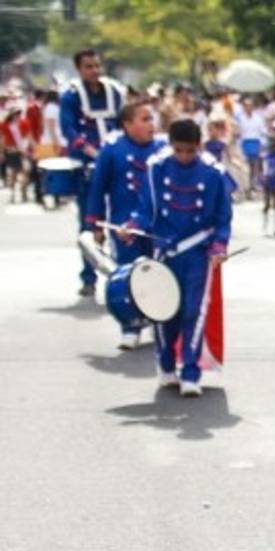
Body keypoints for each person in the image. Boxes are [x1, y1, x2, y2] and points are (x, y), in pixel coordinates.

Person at [130, 119, 232, 397]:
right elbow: (145, 210)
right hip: (165, 251)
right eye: (179, 150)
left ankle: (191, 371)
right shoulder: (157, 168)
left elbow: (223, 217)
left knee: (193, 311)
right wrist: (131, 226)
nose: (184, 156)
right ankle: (165, 366)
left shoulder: (213, 173)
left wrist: (219, 245)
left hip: (198, 252)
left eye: (190, 151)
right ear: (170, 146)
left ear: (198, 146)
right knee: (164, 312)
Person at [85, 102, 165, 349]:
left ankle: (157, 322)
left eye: (152, 119)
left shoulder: (163, 149)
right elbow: (98, 187)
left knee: (158, 274)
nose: (151, 124)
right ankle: (130, 326)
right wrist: (94, 224)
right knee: (127, 275)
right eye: (144, 119)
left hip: (158, 225)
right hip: (123, 226)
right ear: (127, 125)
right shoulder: (112, 149)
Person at [60, 48, 126, 296]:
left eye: (97, 65)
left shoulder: (115, 92)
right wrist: (89, 151)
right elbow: (69, 129)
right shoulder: (71, 96)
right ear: (79, 69)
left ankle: (122, 274)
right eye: (89, 66)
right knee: (89, 220)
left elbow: (124, 122)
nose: (94, 71)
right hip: (88, 165)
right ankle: (88, 276)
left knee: (121, 218)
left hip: (116, 163)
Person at [234, 96, 265, 198]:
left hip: (255, 143)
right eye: (246, 106)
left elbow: (261, 132)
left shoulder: (258, 118)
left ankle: (252, 186)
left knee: (254, 167)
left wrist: (261, 145)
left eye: (250, 106)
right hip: (244, 143)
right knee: (245, 167)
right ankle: (246, 188)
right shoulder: (239, 118)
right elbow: (237, 132)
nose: (248, 108)